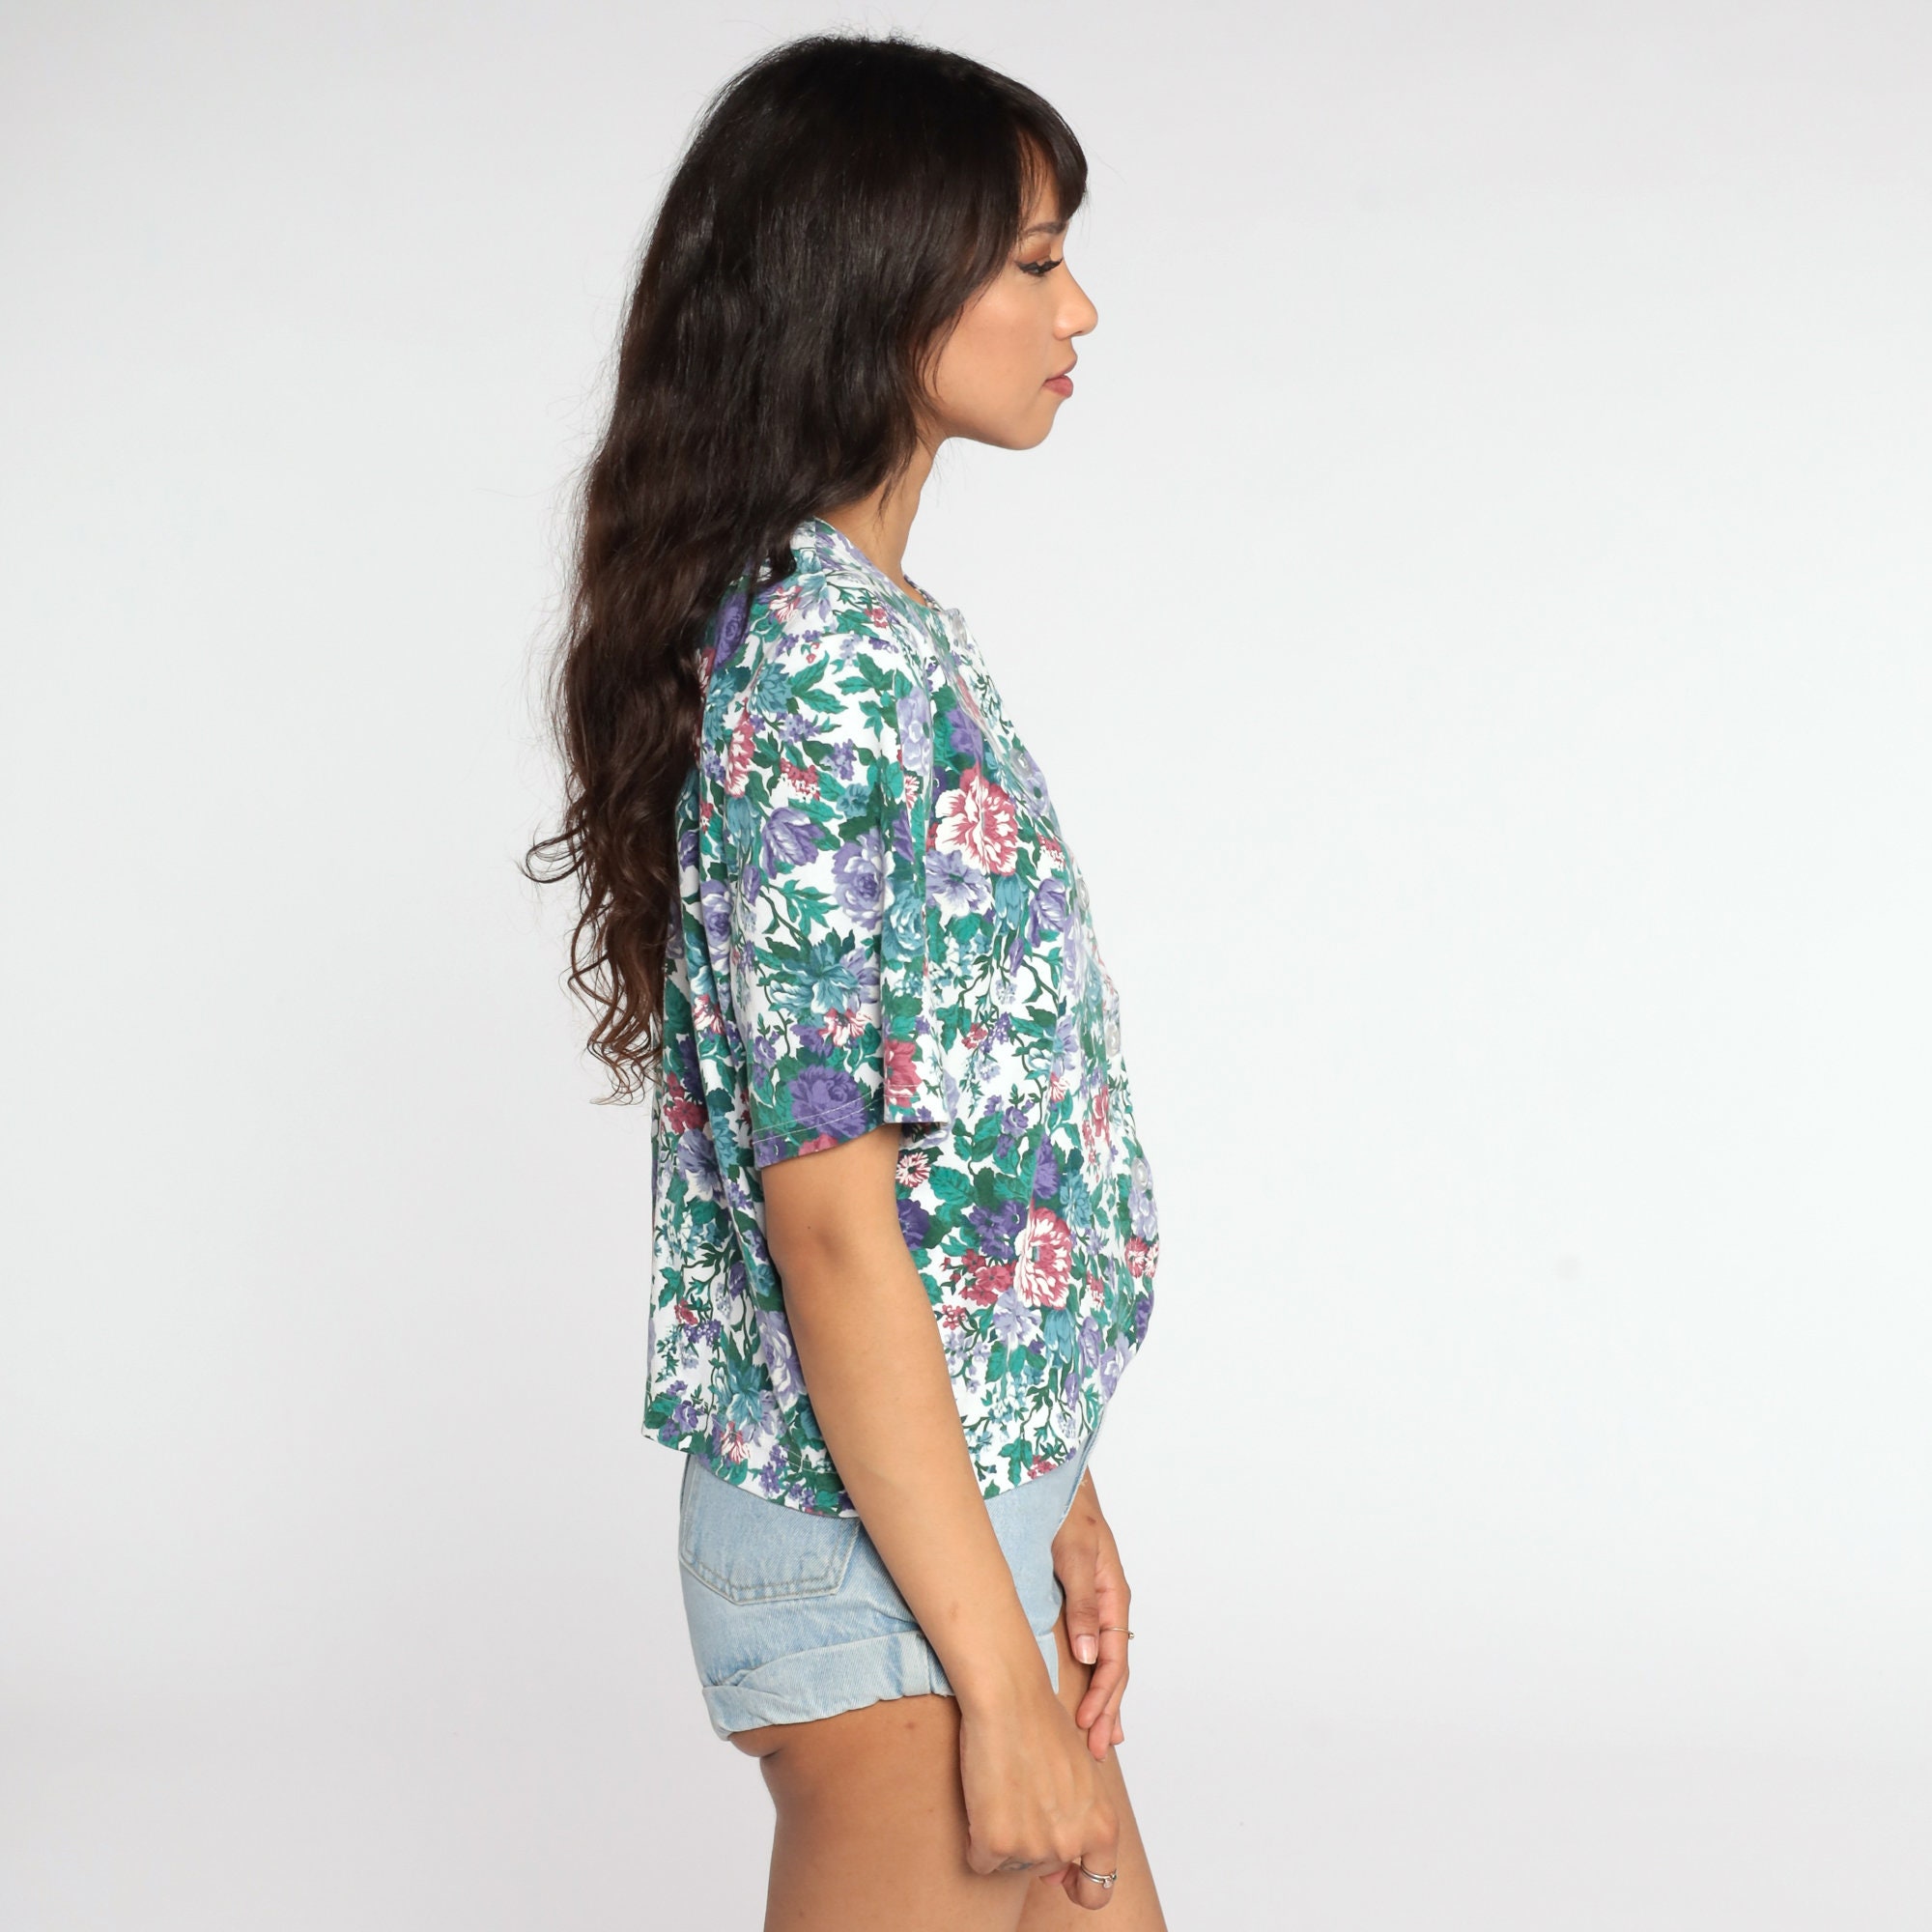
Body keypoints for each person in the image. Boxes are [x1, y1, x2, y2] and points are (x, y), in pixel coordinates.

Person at [528, 32, 1167, 1929]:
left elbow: (961, 1160)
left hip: (953, 1528)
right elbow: (828, 1220)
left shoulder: (869, 639)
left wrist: (1059, 1483)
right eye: (1033, 261)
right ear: (877, 285)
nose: (1078, 309)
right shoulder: (817, 671)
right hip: (881, 1582)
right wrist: (992, 1674)